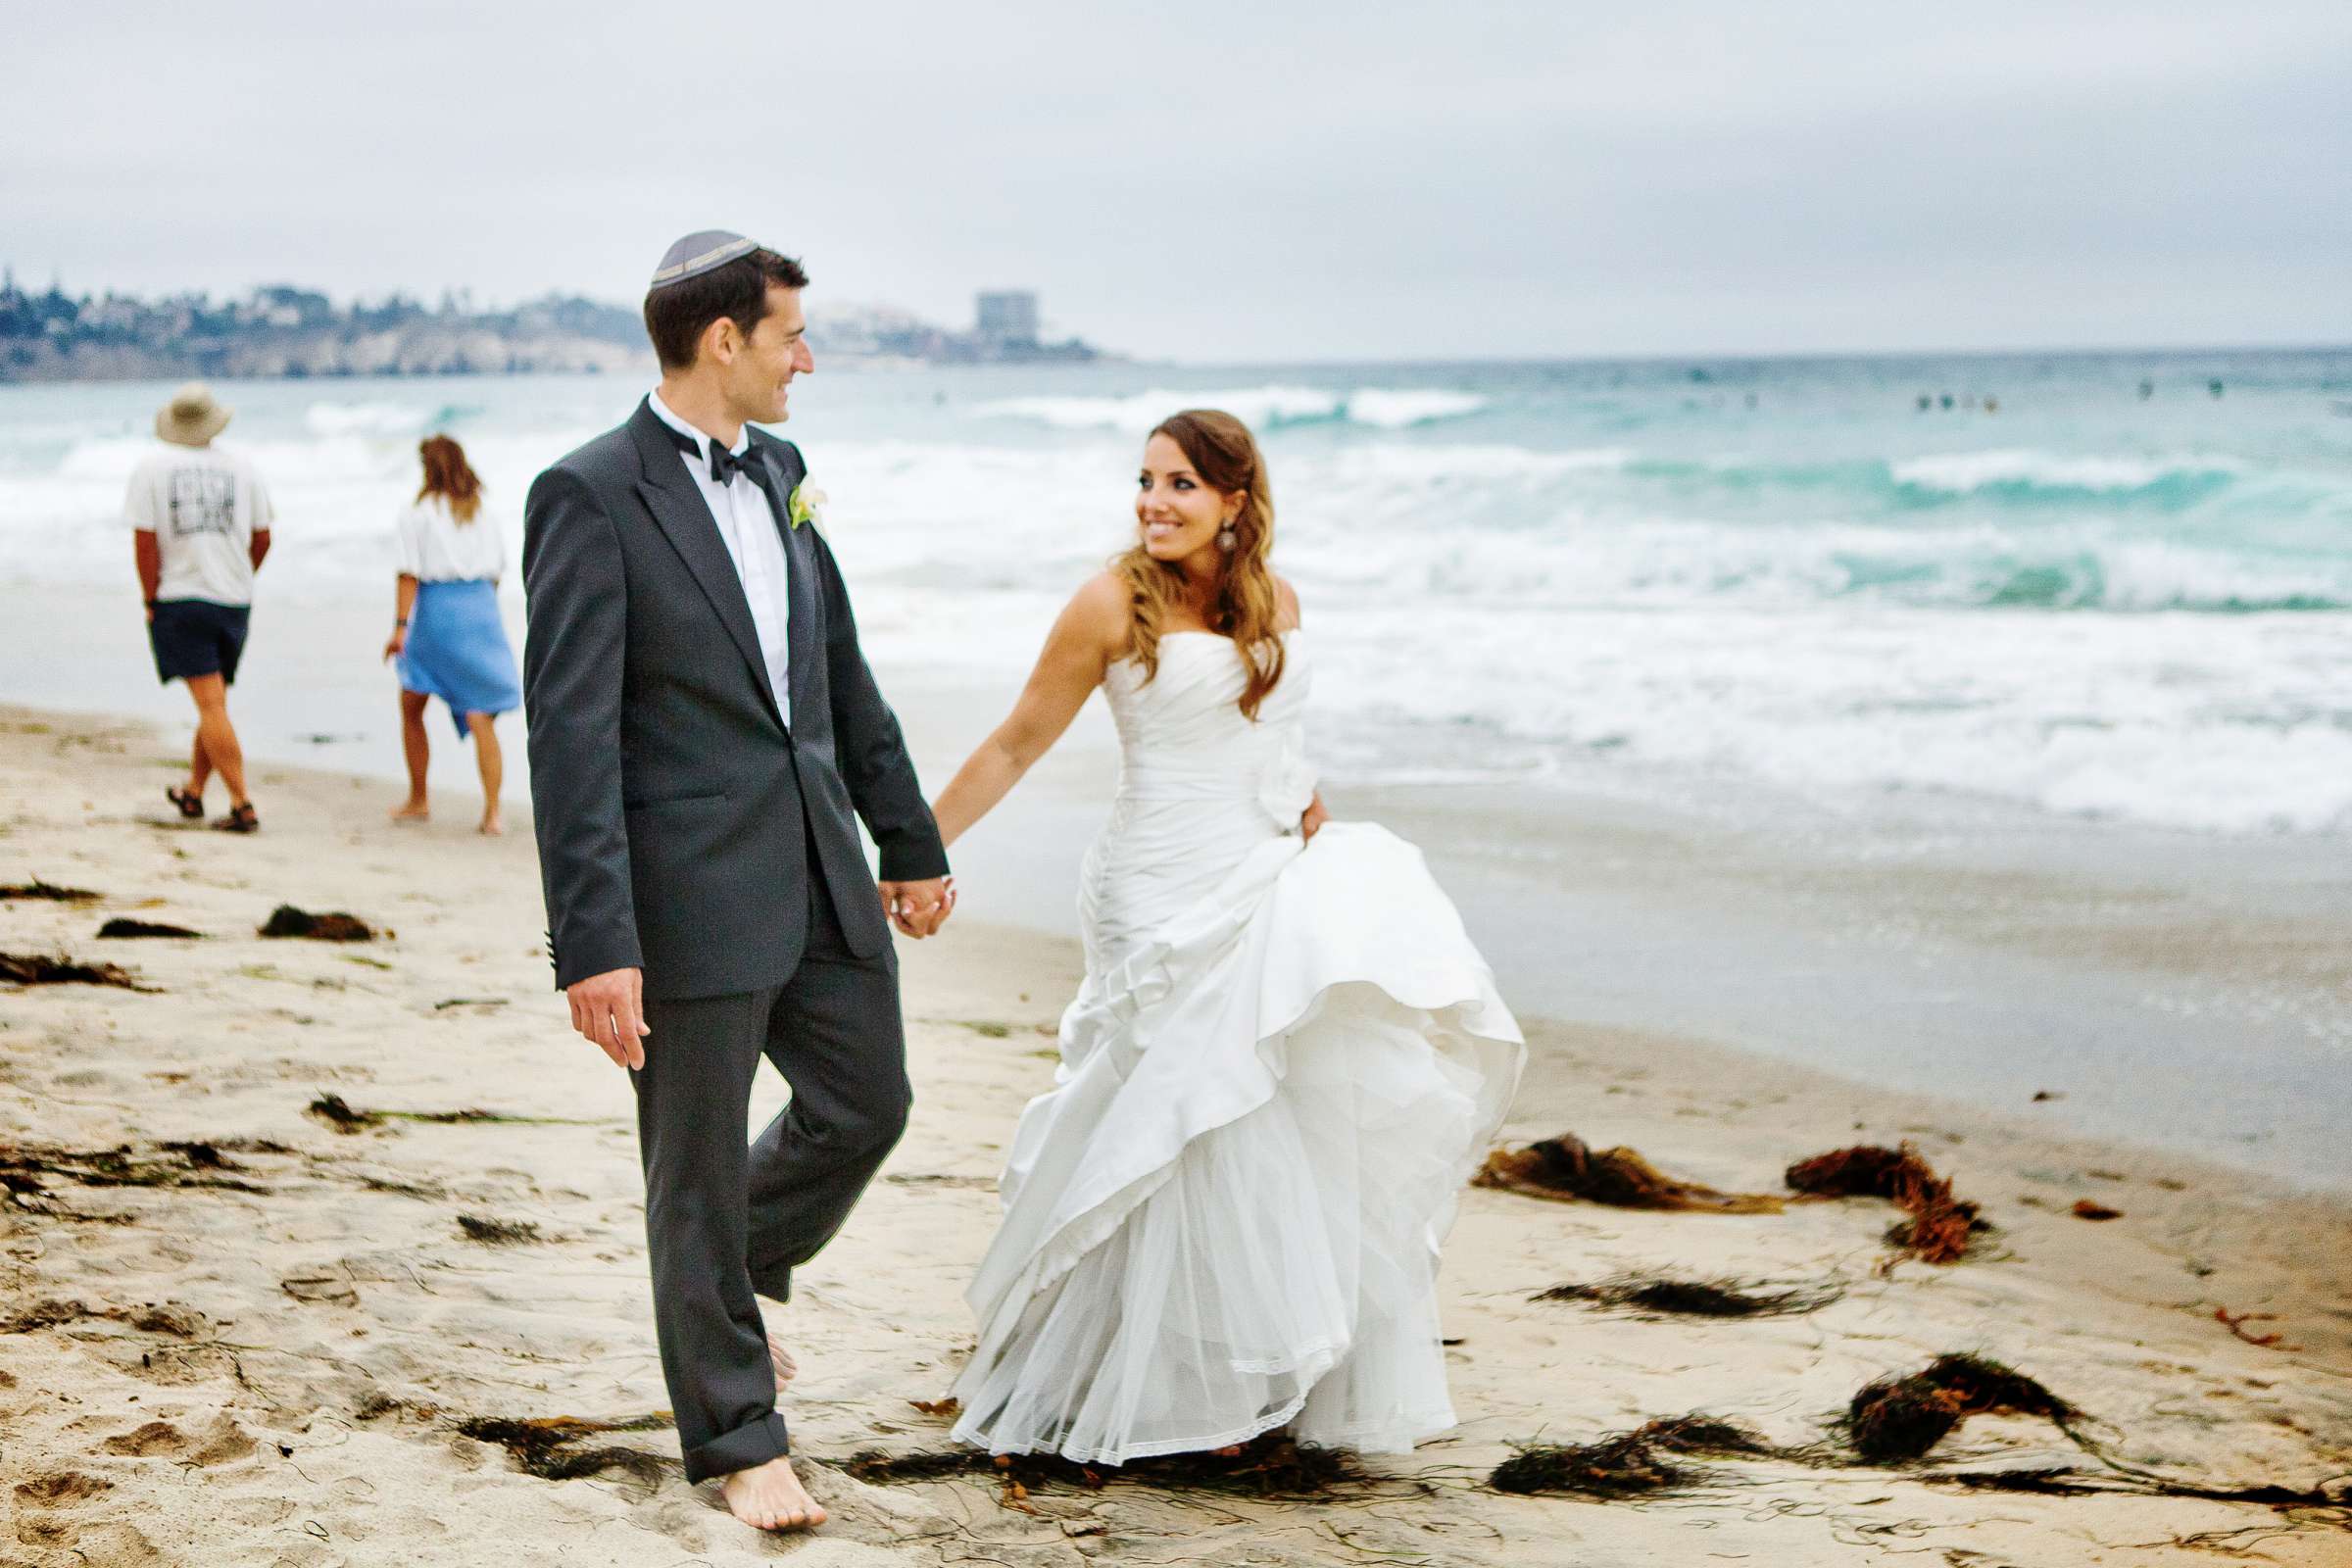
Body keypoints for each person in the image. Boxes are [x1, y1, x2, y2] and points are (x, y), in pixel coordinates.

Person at [928, 410, 1525, 1464]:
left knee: (1261, 1115)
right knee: (1163, 1113)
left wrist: (1314, 840)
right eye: (1146, 480)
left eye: (1181, 485)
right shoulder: (1111, 600)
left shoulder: (1277, 600)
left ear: (1235, 503)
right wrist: (917, 849)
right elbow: (1020, 739)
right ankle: (1121, 1382)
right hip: (1155, 887)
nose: (1154, 501)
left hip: (1261, 870)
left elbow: (1279, 743)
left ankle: (1236, 1381)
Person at [520, 231, 954, 1534]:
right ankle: (736, 1434)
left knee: (868, 1102)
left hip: (818, 865)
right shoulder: (588, 495)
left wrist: (909, 836)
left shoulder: (784, 470)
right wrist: (595, 942)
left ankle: (735, 1274)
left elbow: (836, 668)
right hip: (685, 897)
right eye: (790, 338)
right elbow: (572, 734)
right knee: (692, 1175)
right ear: (725, 342)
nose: (804, 360)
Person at [125, 382, 272, 834]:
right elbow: (263, 536)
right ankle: (193, 791)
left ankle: (242, 803)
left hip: (181, 597)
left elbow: (146, 542)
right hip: (233, 599)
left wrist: (150, 597)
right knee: (215, 702)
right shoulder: (243, 468)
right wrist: (239, 575)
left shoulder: (151, 469)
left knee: (210, 705)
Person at [382, 434, 520, 835]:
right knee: (481, 716)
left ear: (428, 469)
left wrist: (400, 629)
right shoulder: (484, 512)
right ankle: (493, 813)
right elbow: (497, 571)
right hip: (482, 610)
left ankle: (419, 798)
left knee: (412, 701)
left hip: (440, 612)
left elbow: (409, 573)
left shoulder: (418, 513)